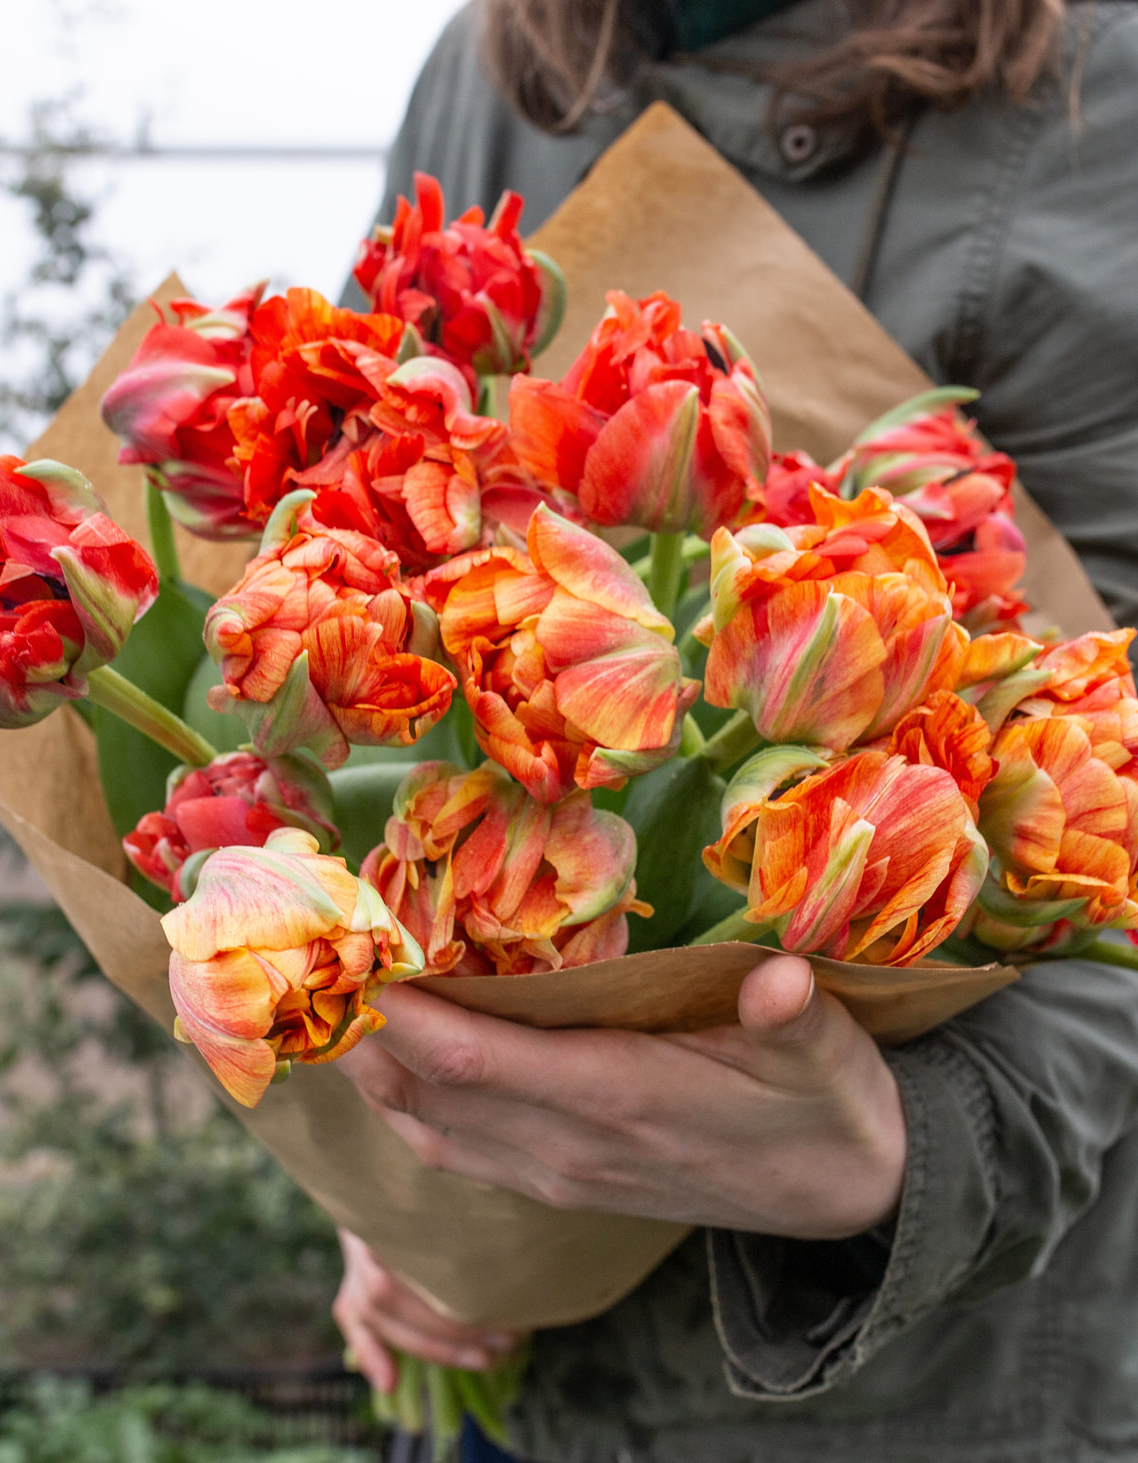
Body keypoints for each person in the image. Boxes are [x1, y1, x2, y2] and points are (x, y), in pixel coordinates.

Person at [332, 3, 1138, 1459]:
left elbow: (1112, 795)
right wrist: (394, 1175)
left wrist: (907, 1150)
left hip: (921, 1395)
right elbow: (364, 571)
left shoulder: (1106, 94)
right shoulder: (492, 64)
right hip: (512, 1364)